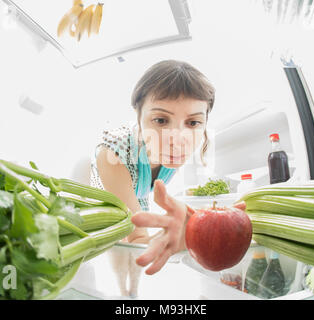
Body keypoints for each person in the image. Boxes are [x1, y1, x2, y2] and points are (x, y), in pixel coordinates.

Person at [90, 59, 228, 295]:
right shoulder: (112, 153)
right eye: (161, 120)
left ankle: (132, 291)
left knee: (134, 270)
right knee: (121, 251)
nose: (178, 138)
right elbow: (135, 238)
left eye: (193, 122)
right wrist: (187, 238)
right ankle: (124, 294)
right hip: (107, 203)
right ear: (138, 114)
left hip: (137, 195)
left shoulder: (173, 153)